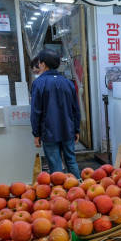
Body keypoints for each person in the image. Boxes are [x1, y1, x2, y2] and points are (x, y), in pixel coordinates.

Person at [30, 49, 81, 178]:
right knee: (71, 161)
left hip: (49, 132)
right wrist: (76, 129)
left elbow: (36, 111)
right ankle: (79, 188)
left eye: (39, 62)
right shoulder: (68, 82)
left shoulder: (38, 83)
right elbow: (76, 108)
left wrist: (36, 133)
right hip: (68, 129)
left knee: (55, 165)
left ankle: (61, 194)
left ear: (42, 64)